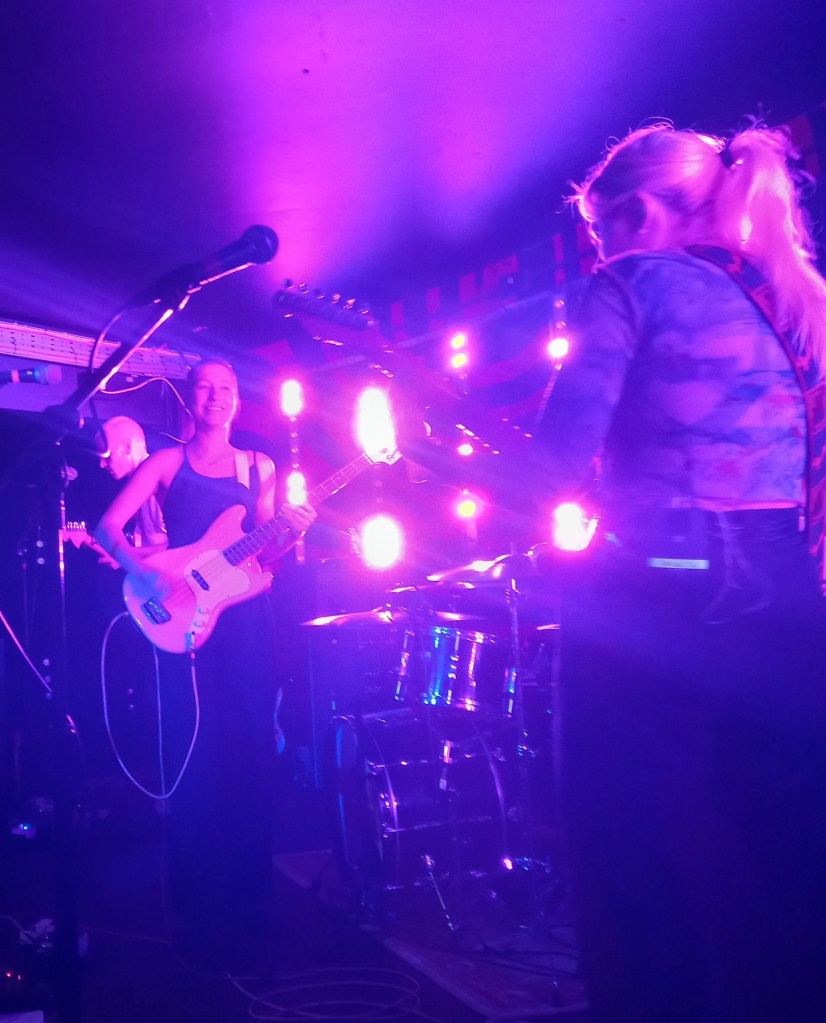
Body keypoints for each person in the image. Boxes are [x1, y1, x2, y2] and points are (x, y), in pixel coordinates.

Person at [536, 124, 826, 1023]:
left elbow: (553, 466)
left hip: (660, 589)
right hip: (791, 598)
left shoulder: (633, 280)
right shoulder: (791, 296)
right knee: (778, 863)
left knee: (639, 856)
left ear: (638, 212)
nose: (600, 253)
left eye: (601, 232)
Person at [94, 359, 316, 966]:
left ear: (238, 400)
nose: (215, 397)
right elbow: (109, 528)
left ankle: (251, 909)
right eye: (204, 387)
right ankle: (197, 918)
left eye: (226, 389)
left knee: (249, 754)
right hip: (186, 622)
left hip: (245, 624)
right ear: (190, 398)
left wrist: (292, 533)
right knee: (195, 760)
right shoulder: (168, 462)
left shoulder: (260, 466)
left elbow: (264, 554)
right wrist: (149, 576)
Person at [96, 415, 167, 549]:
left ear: (127, 446)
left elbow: (178, 545)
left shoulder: (157, 481)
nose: (102, 464)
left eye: (106, 455)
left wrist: (130, 556)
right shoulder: (136, 486)